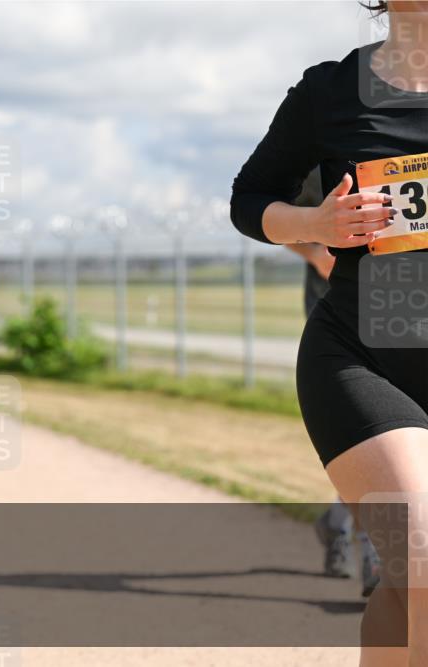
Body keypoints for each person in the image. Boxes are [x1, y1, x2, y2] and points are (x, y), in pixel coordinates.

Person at [230, 2, 427, 661]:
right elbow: (250, 200)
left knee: (403, 589)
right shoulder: (330, 91)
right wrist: (317, 226)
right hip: (363, 360)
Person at [288, 169, 381, 596]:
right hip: (336, 311)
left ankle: (338, 523)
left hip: (394, 305)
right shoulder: (324, 145)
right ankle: (373, 554)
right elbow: (279, 219)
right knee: (365, 430)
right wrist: (318, 255)